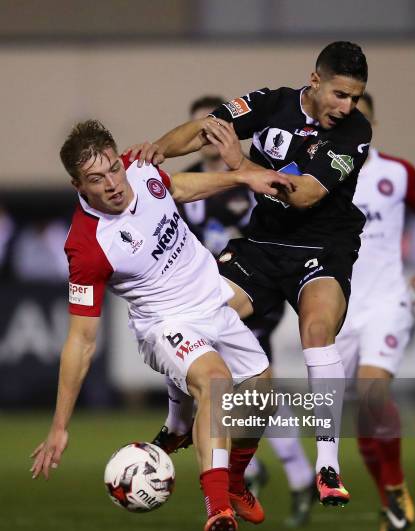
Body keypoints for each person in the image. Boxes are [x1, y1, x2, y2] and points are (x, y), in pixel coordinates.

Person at [29, 119, 294, 531]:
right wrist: (59, 427)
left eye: (114, 168)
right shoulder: (87, 246)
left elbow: (179, 187)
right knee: (216, 383)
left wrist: (241, 175)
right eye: (97, 179)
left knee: (261, 392)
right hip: (165, 323)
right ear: (78, 184)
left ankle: (226, 473)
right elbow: (80, 341)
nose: (113, 183)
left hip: (212, 300)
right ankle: (217, 509)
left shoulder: (140, 167)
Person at [126, 41, 372, 506]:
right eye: (340, 94)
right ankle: (179, 423)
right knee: (192, 315)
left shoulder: (354, 132)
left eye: (355, 97)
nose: (347, 107)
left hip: (323, 248)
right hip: (261, 246)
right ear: (314, 81)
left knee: (316, 331)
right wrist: (156, 150)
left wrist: (241, 165)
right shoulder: (270, 102)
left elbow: (302, 195)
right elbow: (205, 131)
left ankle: (328, 465)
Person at [152, 95, 316, 527]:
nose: (205, 138)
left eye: (211, 129)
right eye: (199, 131)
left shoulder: (248, 179)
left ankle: (291, 474)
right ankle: (248, 469)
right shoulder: (184, 188)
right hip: (201, 294)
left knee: (253, 383)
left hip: (245, 289)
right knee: (224, 382)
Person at [335, 93, 415, 531]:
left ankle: (396, 483)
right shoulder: (321, 175)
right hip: (339, 310)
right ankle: (390, 501)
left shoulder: (396, 173)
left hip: (386, 302)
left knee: (372, 391)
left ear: (372, 122)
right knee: (360, 416)